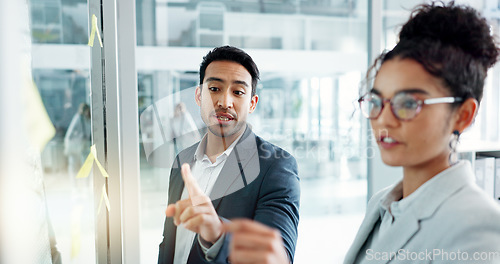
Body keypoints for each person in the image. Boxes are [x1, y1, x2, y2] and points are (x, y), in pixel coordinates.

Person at [342, 2, 500, 264]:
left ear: (463, 115)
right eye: (377, 101)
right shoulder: (381, 204)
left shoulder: (480, 230)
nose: (384, 119)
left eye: (407, 104)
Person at [158, 46, 300, 264]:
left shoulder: (276, 167)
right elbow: (170, 242)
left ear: (252, 103)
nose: (225, 102)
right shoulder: (183, 160)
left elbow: (278, 257)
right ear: (199, 95)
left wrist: (218, 235)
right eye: (214, 88)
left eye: (238, 92)